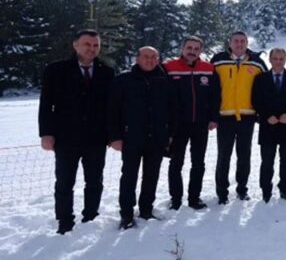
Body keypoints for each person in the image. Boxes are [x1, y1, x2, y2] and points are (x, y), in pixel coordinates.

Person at [38, 29, 114, 234]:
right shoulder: (56, 70)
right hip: (65, 137)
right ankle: (65, 220)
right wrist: (46, 133)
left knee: (95, 181)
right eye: (87, 44)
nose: (91, 49)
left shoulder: (107, 71)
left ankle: (91, 215)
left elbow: (111, 107)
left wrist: (112, 134)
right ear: (75, 45)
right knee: (64, 182)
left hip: (96, 138)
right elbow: (46, 104)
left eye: (95, 45)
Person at [108, 47, 176, 230]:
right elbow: (112, 110)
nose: (150, 60)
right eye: (146, 57)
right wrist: (114, 136)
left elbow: (172, 109)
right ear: (137, 59)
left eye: (154, 57)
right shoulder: (124, 80)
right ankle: (127, 214)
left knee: (151, 176)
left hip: (157, 137)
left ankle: (146, 209)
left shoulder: (164, 79)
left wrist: (169, 134)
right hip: (132, 137)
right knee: (129, 176)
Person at [211, 31, 267, 205]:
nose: (239, 44)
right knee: (223, 156)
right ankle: (222, 192)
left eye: (242, 41)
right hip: (225, 117)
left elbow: (265, 89)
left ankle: (242, 189)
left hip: (247, 117)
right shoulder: (218, 60)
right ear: (230, 42)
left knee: (244, 155)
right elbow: (210, 89)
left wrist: (261, 112)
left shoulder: (257, 62)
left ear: (247, 42)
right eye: (236, 41)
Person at [165, 36, 220, 210]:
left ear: (201, 51)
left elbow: (215, 96)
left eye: (196, 49)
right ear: (182, 48)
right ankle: (176, 199)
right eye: (189, 47)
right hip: (177, 125)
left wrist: (213, 118)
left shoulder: (209, 69)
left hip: (200, 123)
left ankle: (194, 197)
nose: (192, 51)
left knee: (198, 162)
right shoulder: (169, 68)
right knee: (176, 162)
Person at [252, 48, 286, 203]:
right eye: (275, 58)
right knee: (267, 161)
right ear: (270, 60)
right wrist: (266, 116)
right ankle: (266, 190)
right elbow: (256, 100)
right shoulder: (260, 79)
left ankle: (284, 187)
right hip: (268, 126)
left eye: (281, 58)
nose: (278, 61)